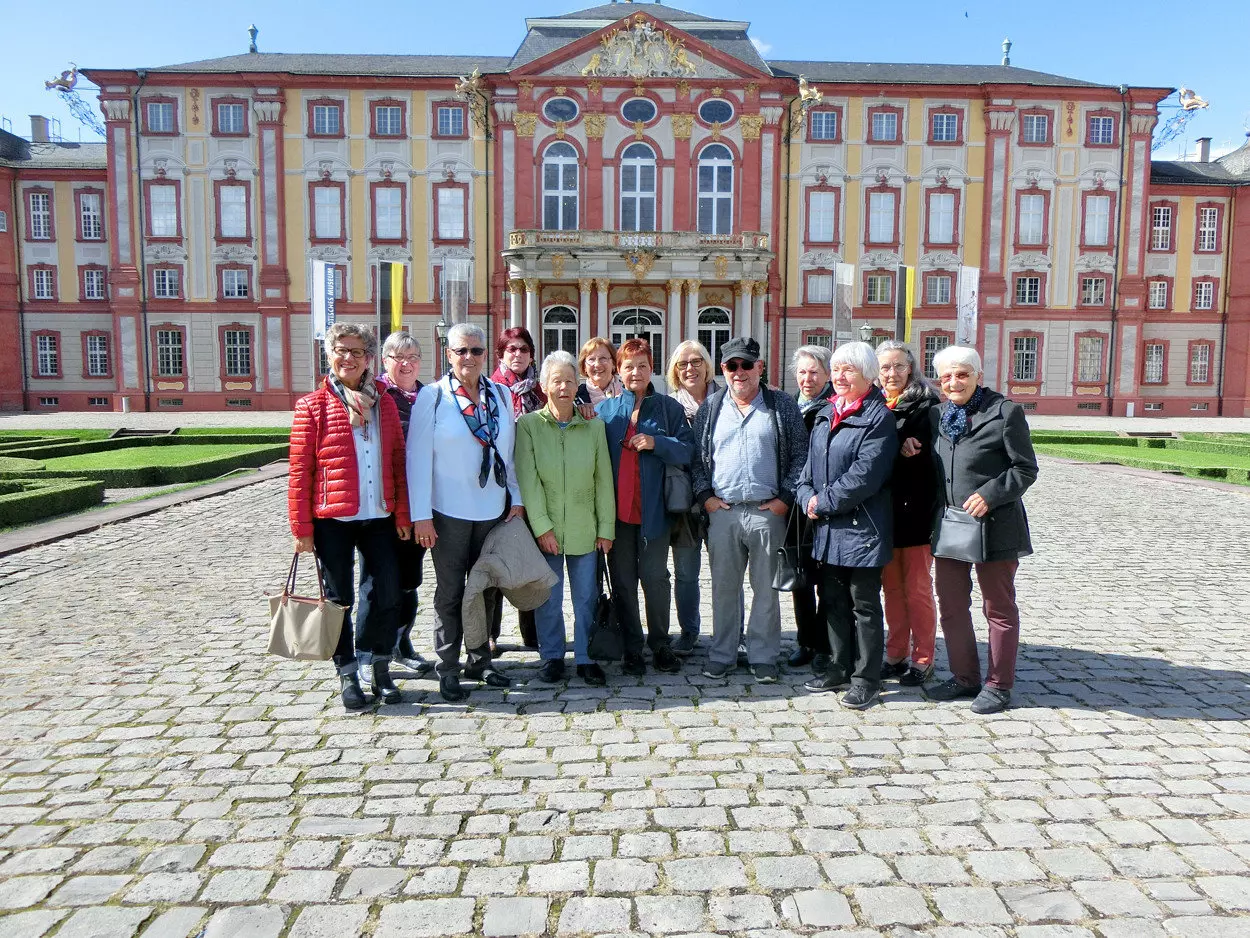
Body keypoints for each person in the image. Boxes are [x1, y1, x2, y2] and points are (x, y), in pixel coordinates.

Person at [288, 323, 412, 711]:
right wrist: (301, 529)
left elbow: (397, 462)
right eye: (340, 350)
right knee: (339, 598)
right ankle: (346, 672)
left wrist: (404, 513)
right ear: (329, 355)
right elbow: (300, 471)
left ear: (369, 359)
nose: (348, 358)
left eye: (357, 352)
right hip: (333, 519)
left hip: (379, 514)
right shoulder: (313, 406)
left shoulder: (385, 403)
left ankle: (378, 665)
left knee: (385, 593)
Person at [408, 322, 524, 702]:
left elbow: (509, 455)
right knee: (450, 592)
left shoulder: (502, 395)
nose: (469, 358)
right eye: (461, 351)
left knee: (487, 588)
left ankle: (481, 660)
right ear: (448, 353)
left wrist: (516, 498)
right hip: (448, 511)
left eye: (476, 351)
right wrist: (421, 514)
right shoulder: (434, 397)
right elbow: (417, 458)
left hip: (492, 509)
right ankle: (448, 665)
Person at [926, 345, 1039, 714]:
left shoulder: (1005, 413)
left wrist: (990, 495)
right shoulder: (937, 416)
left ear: (977, 376)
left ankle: (998, 685)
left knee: (999, 607)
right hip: (951, 527)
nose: (954, 382)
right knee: (953, 605)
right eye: (946, 376)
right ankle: (964, 677)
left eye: (962, 374)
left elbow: (1025, 469)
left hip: (995, 527)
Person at [690, 337, 807, 684]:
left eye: (745, 365)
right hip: (722, 511)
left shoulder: (781, 406)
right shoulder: (710, 409)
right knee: (724, 587)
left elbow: (801, 455)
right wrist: (705, 497)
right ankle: (723, 653)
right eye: (731, 366)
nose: (738, 372)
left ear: (759, 367)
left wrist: (786, 497)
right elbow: (696, 459)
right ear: (723, 370)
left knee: (765, 588)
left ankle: (763, 654)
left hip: (767, 511)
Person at [797, 341, 896, 709]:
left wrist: (821, 502)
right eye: (836, 369)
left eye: (848, 370)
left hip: (862, 528)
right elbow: (810, 466)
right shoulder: (827, 412)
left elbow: (865, 476)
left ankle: (866, 677)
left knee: (864, 605)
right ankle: (838, 666)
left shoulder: (878, 417)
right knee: (833, 600)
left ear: (868, 375)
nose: (839, 376)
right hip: (827, 528)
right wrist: (805, 493)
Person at [515, 351, 615, 687]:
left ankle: (586, 657)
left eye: (570, 381)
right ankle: (553, 656)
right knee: (548, 598)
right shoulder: (528, 426)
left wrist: (606, 529)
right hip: (549, 531)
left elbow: (604, 482)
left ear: (578, 385)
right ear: (543, 385)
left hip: (585, 528)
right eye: (556, 380)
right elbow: (528, 480)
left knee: (586, 597)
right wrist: (541, 526)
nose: (563, 387)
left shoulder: (593, 426)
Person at [596, 338, 693, 676]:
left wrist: (658, 443)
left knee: (655, 579)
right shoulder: (605, 412)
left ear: (652, 368)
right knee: (623, 582)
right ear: (617, 372)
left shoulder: (669, 408)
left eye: (642, 365)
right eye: (628, 366)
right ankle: (632, 648)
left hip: (654, 512)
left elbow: (688, 451)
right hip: (617, 516)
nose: (635, 372)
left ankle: (661, 644)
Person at [876, 340, 941, 687]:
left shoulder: (926, 405)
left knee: (917, 587)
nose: (891, 373)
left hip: (916, 510)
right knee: (891, 588)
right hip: (885, 511)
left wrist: (905, 440)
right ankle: (896, 653)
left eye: (898, 366)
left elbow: (932, 453)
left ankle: (923, 659)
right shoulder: (875, 403)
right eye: (885, 367)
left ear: (911, 368)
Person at [375, 331, 433, 676]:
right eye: (399, 357)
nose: (407, 363)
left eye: (413, 356)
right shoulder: (375, 394)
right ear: (386, 361)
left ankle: (401, 641)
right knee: (382, 580)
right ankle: (375, 649)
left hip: (419, 502)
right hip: (384, 503)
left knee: (410, 578)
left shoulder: (429, 396)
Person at [489, 325, 545, 652]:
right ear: (501, 354)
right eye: (512, 349)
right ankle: (491, 633)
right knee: (496, 560)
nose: (518, 355)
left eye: (523, 349)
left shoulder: (539, 391)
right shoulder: (492, 390)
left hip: (533, 485)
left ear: (531, 354)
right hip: (497, 488)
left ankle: (532, 631)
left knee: (531, 561)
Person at [665, 340, 717, 656]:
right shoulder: (669, 406)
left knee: (728, 573)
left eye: (696, 361)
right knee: (685, 574)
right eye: (683, 363)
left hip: (721, 499)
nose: (690, 368)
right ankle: (688, 631)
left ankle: (732, 632)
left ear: (707, 365)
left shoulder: (726, 401)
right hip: (684, 503)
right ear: (674, 370)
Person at [787, 345, 835, 675]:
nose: (808, 378)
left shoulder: (833, 407)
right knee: (800, 576)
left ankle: (824, 644)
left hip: (827, 504)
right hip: (796, 503)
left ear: (827, 375)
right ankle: (805, 640)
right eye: (803, 372)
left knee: (826, 579)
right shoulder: (790, 407)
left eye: (815, 372)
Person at [576, 337, 624, 407]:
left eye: (603, 358)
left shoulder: (628, 393)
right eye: (591, 359)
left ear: (614, 363)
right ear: (584, 366)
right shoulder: (575, 397)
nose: (597, 364)